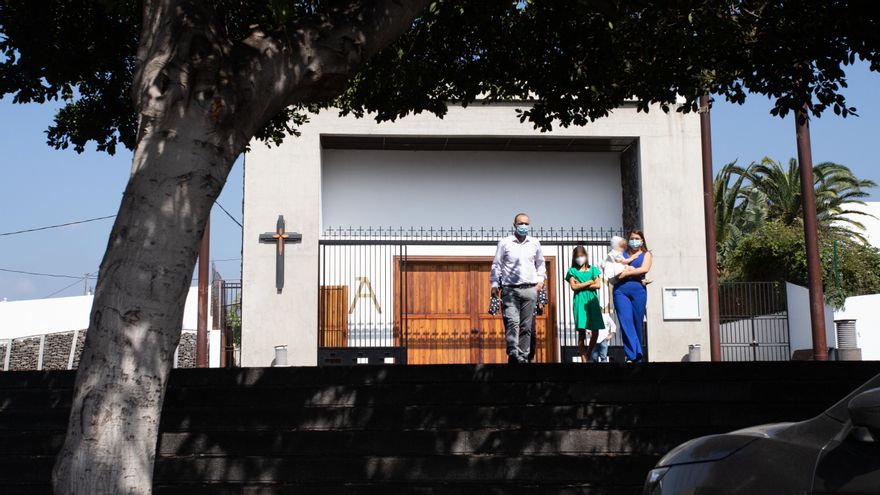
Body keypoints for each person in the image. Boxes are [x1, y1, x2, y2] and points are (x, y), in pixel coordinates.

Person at [491, 213, 546, 364]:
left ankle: (523, 356)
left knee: (526, 326)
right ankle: (513, 354)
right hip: (510, 290)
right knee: (512, 322)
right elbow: (497, 264)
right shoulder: (505, 243)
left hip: (530, 289)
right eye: (520, 223)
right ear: (514, 224)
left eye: (526, 224)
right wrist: (494, 284)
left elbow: (541, 263)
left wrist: (540, 282)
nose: (523, 226)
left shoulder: (534, 243)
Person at [613, 230, 652, 362]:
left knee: (637, 323)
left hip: (638, 291)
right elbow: (614, 270)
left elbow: (645, 269)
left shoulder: (647, 254)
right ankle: (632, 355)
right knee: (626, 321)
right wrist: (627, 273)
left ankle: (638, 356)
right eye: (632, 238)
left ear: (642, 240)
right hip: (620, 291)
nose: (634, 240)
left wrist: (627, 272)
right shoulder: (622, 254)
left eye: (637, 238)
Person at [565, 246, 604, 363]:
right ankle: (583, 357)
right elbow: (574, 287)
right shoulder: (572, 271)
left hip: (592, 301)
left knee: (595, 330)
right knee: (581, 330)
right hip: (580, 301)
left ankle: (588, 352)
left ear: (586, 256)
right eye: (577, 256)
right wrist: (589, 281)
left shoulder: (593, 269)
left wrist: (581, 284)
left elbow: (598, 285)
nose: (579, 258)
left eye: (581, 255)